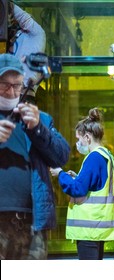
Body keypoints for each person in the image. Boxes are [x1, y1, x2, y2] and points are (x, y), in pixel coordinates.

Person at [0, 53, 70, 259]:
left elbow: (61, 156)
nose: (11, 91)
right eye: (5, 84)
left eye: (17, 85)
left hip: (33, 222)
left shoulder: (40, 118)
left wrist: (38, 128)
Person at [50, 107, 114, 260]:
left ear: (88, 137)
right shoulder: (106, 155)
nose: (78, 142)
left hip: (89, 229)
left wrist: (60, 174)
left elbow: (78, 189)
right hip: (97, 227)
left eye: (79, 138)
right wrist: (77, 177)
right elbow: (95, 184)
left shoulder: (93, 158)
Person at [7, 3, 46, 100]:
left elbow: (22, 17)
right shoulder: (15, 41)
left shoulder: (37, 34)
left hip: (23, 96)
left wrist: (7, 4)